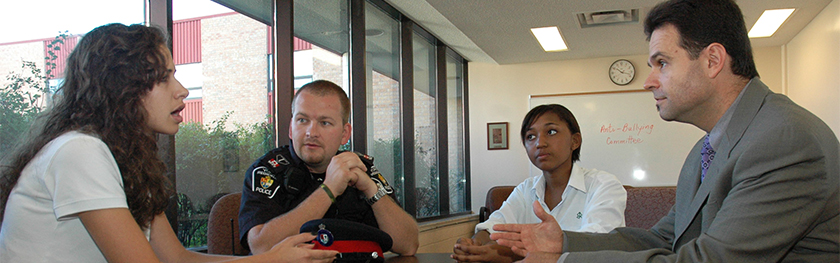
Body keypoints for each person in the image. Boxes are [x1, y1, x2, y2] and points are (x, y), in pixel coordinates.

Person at [490, 0, 840, 262]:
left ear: (713, 60)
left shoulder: (784, 139)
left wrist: (564, 260)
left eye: (662, 63)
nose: (649, 81)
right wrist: (564, 243)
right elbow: (661, 238)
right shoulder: (704, 152)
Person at [0, 24, 337, 263]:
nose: (182, 90)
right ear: (124, 88)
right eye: (164, 78)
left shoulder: (126, 161)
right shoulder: (79, 151)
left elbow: (177, 258)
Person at [238, 80, 419, 255]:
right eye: (302, 120)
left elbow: (408, 245)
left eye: (325, 123)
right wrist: (329, 188)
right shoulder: (267, 171)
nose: (311, 132)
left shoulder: (360, 168)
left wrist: (371, 189)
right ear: (291, 128)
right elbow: (261, 247)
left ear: (344, 133)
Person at [452, 104, 626, 263]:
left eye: (551, 132)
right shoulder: (525, 190)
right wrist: (473, 245)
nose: (539, 143)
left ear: (575, 141)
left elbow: (597, 245)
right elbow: (493, 228)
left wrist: (509, 253)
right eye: (530, 136)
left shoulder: (604, 185)